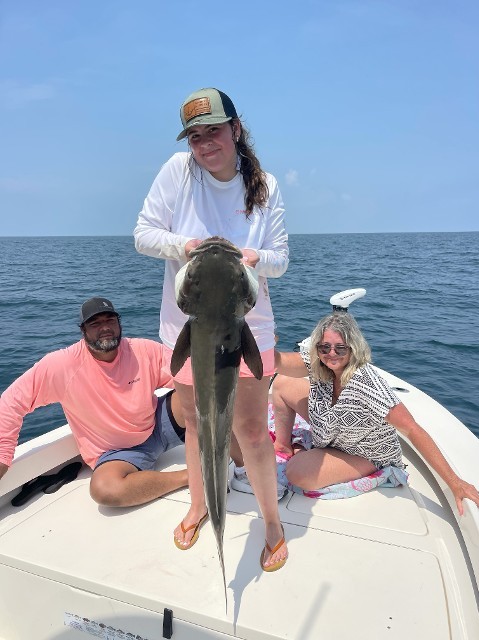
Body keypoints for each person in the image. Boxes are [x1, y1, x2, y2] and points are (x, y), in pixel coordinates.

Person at [134, 87, 289, 571]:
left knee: (249, 429)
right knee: (199, 424)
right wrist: (186, 245)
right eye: (195, 137)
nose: (204, 144)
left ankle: (271, 521)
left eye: (214, 131)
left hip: (249, 326)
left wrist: (255, 258)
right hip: (188, 327)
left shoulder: (264, 185)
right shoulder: (176, 173)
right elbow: (143, 234)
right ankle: (199, 505)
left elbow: (281, 260)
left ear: (236, 130)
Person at [273, 312, 479, 512]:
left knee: (297, 472)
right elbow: (278, 363)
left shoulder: (366, 383)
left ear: (353, 349)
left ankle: (366, 467)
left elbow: (412, 429)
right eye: (325, 347)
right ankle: (283, 445)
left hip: (362, 452)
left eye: (340, 348)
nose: (331, 354)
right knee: (282, 384)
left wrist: (455, 482)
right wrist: (261, 342)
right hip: (330, 427)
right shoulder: (320, 363)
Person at [0, 297, 188, 507]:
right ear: (83, 331)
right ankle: (189, 477)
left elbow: (186, 372)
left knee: (200, 390)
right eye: (95, 324)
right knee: (105, 490)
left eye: (110, 320)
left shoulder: (142, 350)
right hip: (118, 453)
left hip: (158, 426)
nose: (105, 328)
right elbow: (11, 401)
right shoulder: (62, 365)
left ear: (119, 323)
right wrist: (3, 455)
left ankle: (227, 456)